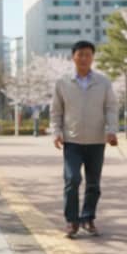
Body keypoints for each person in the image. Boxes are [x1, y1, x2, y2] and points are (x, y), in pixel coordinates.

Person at [51, 40, 118, 238]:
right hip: (72, 140)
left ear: (92, 57)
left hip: (96, 141)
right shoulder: (62, 82)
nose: (84, 58)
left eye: (88, 54)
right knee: (72, 179)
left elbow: (111, 108)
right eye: (80, 54)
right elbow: (56, 110)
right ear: (73, 57)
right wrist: (56, 132)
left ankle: (88, 218)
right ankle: (72, 221)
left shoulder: (103, 82)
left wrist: (112, 130)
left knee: (93, 183)